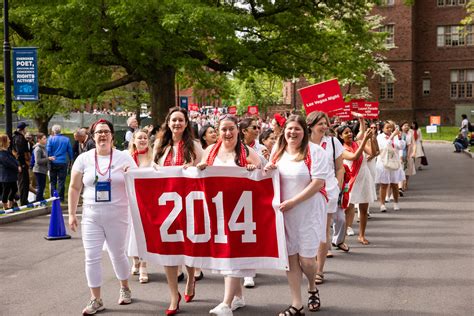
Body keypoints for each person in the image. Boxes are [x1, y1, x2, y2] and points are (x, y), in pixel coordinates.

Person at [68, 119, 136, 315]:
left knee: (118, 254)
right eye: (99, 132)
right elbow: (74, 187)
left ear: (112, 135)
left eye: (106, 131)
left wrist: (130, 173)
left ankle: (125, 287)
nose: (103, 135)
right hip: (91, 215)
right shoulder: (84, 159)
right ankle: (96, 299)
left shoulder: (124, 158)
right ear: (93, 136)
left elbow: (139, 181)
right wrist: (72, 214)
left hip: (118, 215)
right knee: (91, 257)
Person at [197, 114, 260, 316]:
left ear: (237, 130)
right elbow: (198, 176)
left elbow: (263, 174)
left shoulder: (246, 151)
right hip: (218, 211)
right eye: (223, 129)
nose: (227, 133)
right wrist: (200, 168)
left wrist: (252, 168)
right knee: (225, 254)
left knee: (232, 255)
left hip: (240, 212)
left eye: (231, 128)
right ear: (218, 131)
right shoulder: (209, 151)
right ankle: (238, 298)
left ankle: (225, 303)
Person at [265, 115, 328, 316]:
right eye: (289, 129)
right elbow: (270, 176)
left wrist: (294, 202)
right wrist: (268, 169)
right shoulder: (278, 151)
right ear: (284, 130)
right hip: (284, 213)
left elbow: (318, 183)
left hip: (308, 211)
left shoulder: (315, 152)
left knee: (307, 261)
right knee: (290, 258)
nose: (292, 133)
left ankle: (312, 286)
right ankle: (296, 303)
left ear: (305, 132)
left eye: (297, 129)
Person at [153, 107, 203, 315]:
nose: (177, 124)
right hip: (166, 205)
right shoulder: (160, 145)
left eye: (181, 120)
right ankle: (174, 295)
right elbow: (151, 168)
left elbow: (203, 168)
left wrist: (193, 169)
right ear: (168, 122)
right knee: (168, 250)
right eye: (174, 120)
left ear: (186, 123)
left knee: (188, 248)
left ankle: (191, 278)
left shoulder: (195, 146)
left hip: (188, 204)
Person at [306, 112, 345, 285]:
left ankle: (319, 269)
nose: (323, 126)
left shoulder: (333, 142)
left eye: (325, 123)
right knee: (308, 228)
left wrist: (336, 185)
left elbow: (340, 168)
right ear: (311, 125)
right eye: (319, 123)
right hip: (305, 190)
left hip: (328, 190)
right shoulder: (302, 143)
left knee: (323, 229)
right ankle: (308, 262)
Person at [337, 122, 375, 245]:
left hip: (364, 177)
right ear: (340, 136)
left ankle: (361, 235)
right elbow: (354, 156)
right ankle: (341, 239)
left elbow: (372, 153)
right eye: (346, 132)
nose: (350, 134)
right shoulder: (341, 149)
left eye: (350, 131)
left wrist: (372, 139)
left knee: (363, 209)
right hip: (351, 180)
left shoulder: (358, 143)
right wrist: (365, 139)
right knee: (347, 209)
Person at [127, 129, 153, 284]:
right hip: (129, 199)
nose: (143, 140)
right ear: (134, 141)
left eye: (145, 137)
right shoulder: (126, 157)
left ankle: (143, 265)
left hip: (147, 200)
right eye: (139, 138)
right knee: (131, 233)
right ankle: (135, 260)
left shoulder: (153, 157)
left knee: (144, 233)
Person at [376, 121, 405, 212]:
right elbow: (384, 146)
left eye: (390, 127)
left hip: (394, 161)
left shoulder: (396, 136)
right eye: (387, 127)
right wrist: (392, 136)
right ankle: (382, 204)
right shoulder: (380, 137)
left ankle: (396, 202)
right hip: (383, 162)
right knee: (384, 184)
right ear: (382, 129)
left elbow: (401, 146)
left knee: (394, 184)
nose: (389, 129)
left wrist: (399, 137)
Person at [47, 124, 73, 202]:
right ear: (60, 130)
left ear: (53, 131)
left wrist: (49, 158)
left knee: (53, 181)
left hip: (53, 161)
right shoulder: (66, 139)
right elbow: (70, 151)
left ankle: (53, 198)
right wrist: (71, 160)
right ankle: (60, 198)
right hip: (62, 162)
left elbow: (48, 151)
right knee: (61, 181)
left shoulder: (50, 139)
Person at [12, 122, 31, 206]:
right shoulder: (20, 138)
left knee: (23, 182)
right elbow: (21, 152)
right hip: (22, 164)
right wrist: (26, 160)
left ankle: (23, 200)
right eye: (25, 128)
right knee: (24, 182)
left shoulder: (14, 137)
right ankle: (23, 201)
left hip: (19, 163)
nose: (26, 130)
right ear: (23, 129)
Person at [0, 134, 21, 211]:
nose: (10, 140)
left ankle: (10, 204)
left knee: (14, 189)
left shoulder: (7, 151)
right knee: (6, 191)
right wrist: (17, 167)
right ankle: (5, 206)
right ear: (4, 141)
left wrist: (17, 165)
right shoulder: (2, 153)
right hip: (6, 176)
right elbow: (8, 163)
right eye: (8, 139)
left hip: (11, 175)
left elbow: (13, 160)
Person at [33, 133, 55, 202]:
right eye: (44, 138)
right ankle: (38, 200)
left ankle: (40, 199)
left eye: (46, 138)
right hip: (38, 170)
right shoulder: (38, 149)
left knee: (42, 186)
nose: (46, 140)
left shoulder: (43, 147)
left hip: (43, 170)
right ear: (39, 140)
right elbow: (38, 161)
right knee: (40, 186)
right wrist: (48, 158)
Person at [399, 122, 416, 192]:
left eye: (407, 125)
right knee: (401, 169)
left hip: (409, 153)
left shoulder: (410, 134)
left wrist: (414, 152)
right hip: (401, 154)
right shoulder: (399, 134)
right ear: (401, 127)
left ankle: (406, 182)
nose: (406, 127)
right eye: (405, 125)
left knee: (408, 170)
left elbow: (414, 144)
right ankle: (401, 184)